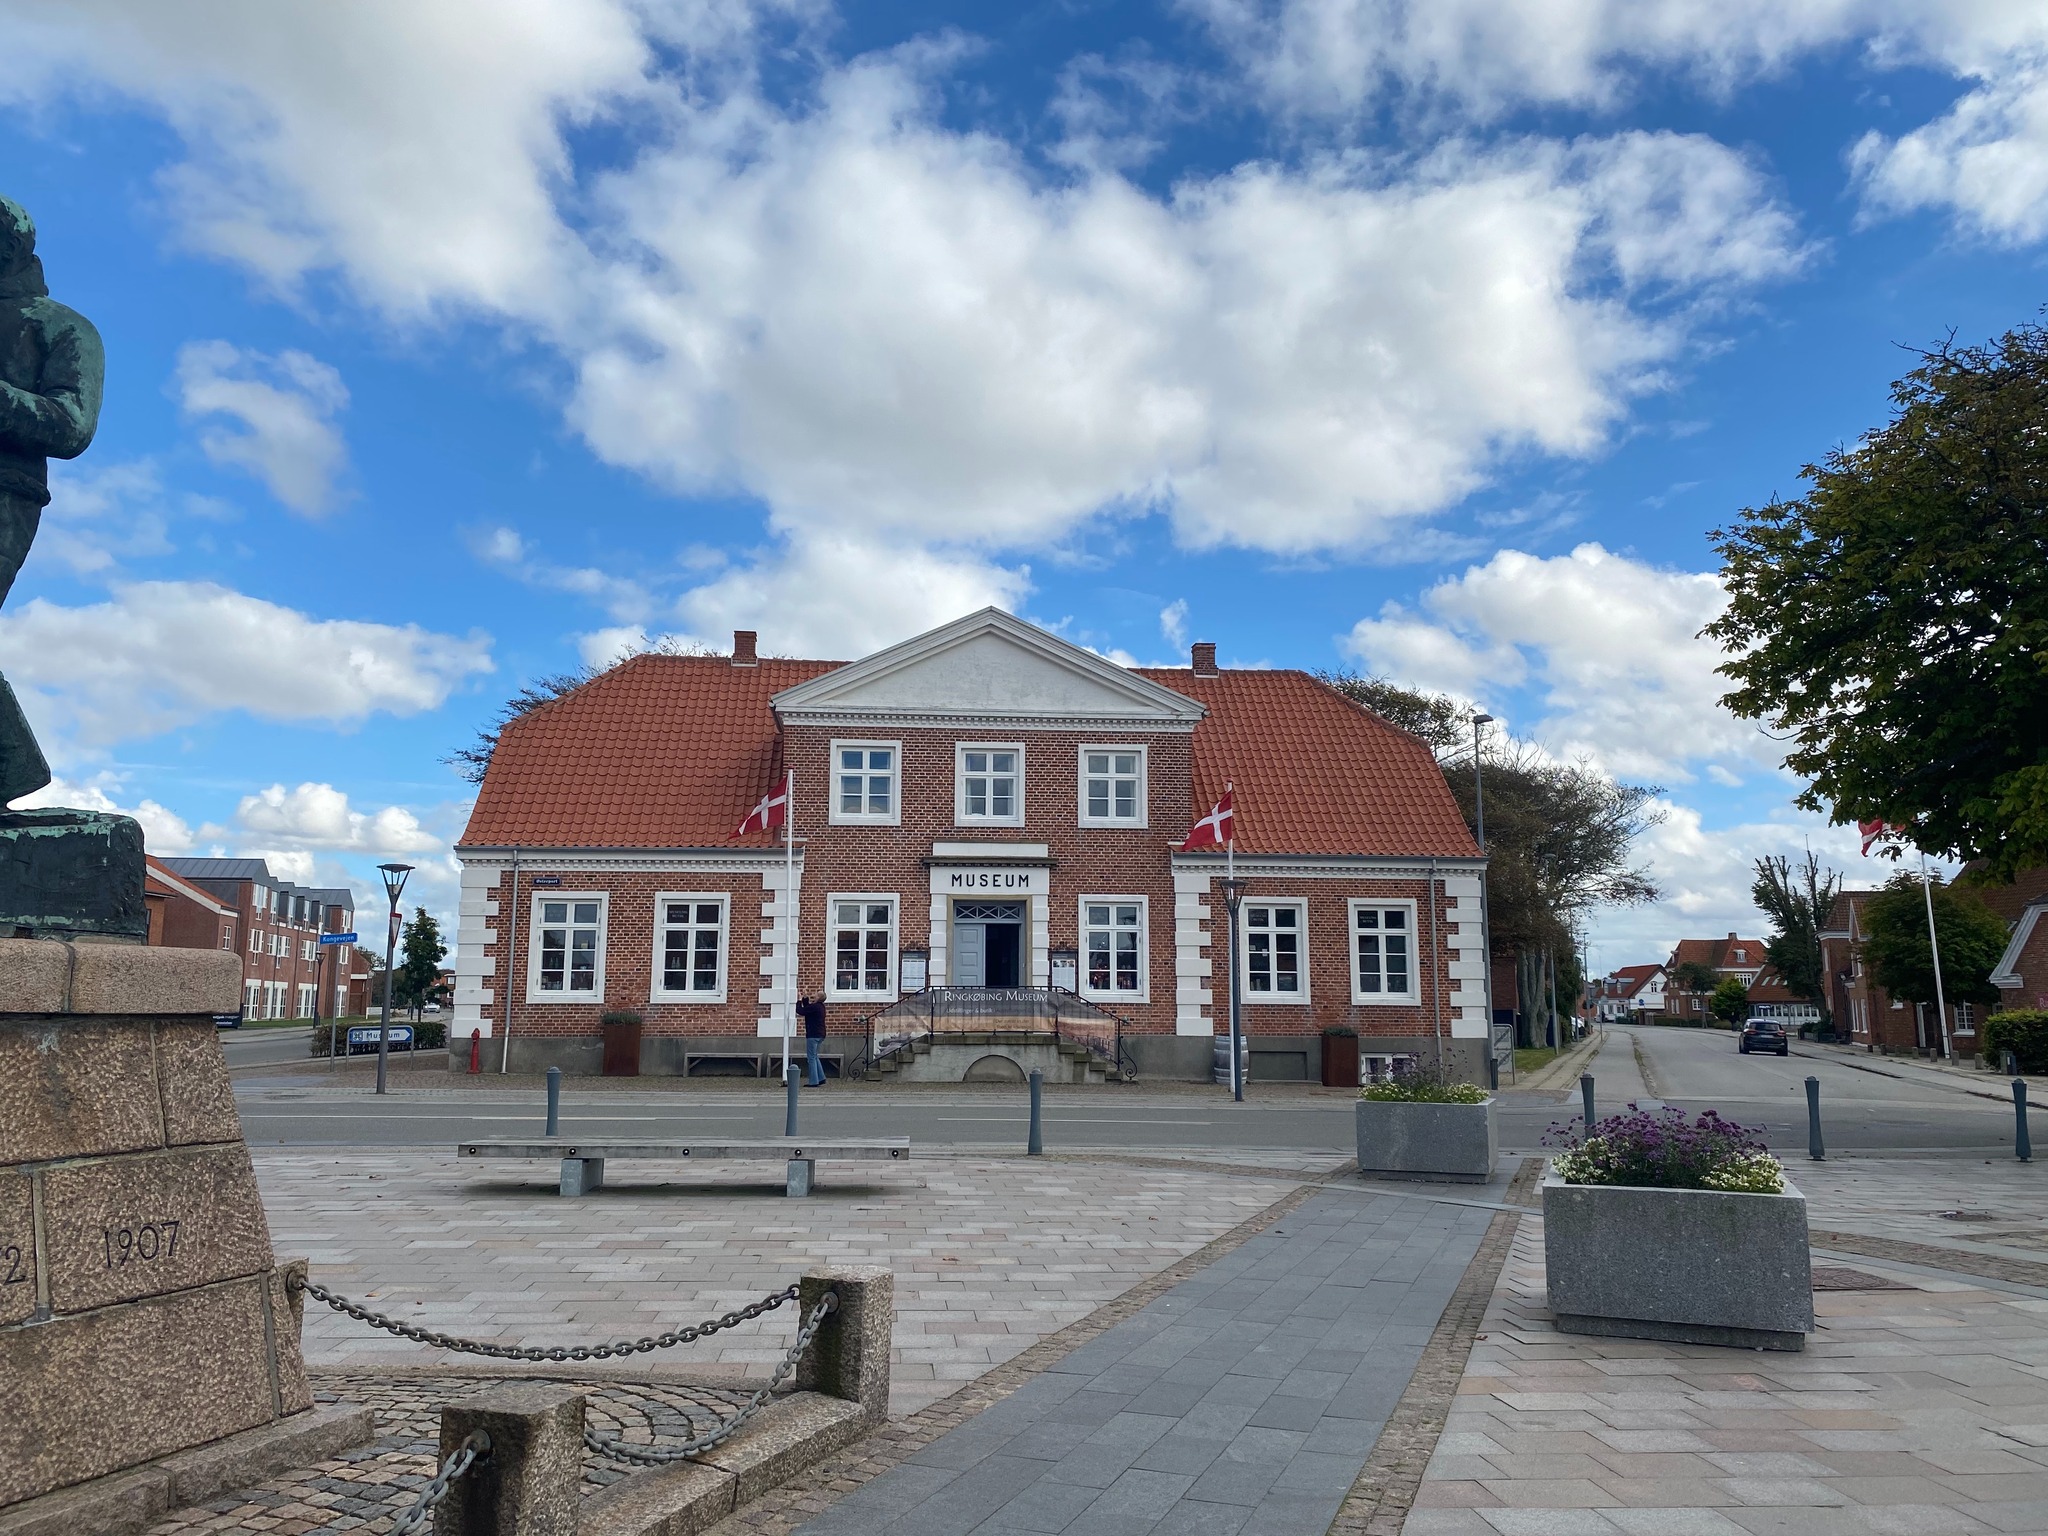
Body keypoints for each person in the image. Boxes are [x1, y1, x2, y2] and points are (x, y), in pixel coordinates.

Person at [799, 993, 828, 1086]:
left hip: (813, 1035)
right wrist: (805, 999)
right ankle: (821, 1077)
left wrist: (799, 1001)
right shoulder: (820, 1007)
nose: (814, 996)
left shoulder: (815, 1007)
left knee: (811, 1058)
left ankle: (814, 1081)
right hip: (820, 1035)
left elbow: (801, 1011)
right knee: (815, 1056)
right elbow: (808, 1009)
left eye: (816, 995)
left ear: (819, 998)